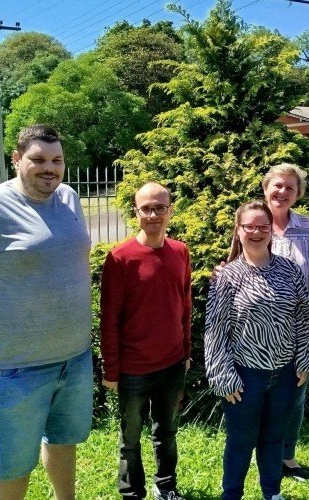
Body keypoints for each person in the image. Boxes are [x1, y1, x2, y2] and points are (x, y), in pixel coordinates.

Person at [0, 124, 93, 500]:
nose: (50, 168)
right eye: (38, 159)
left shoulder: (69, 199)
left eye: (57, 160)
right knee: (12, 464)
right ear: (16, 160)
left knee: (63, 442)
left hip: (74, 358)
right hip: (15, 366)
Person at [205, 201, 309, 500]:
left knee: (273, 438)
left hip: (284, 374)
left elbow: (303, 316)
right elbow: (215, 331)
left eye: (263, 227)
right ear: (238, 231)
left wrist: (305, 358)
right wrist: (223, 375)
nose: (256, 232)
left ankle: (272, 493)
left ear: (271, 231)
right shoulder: (227, 277)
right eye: (249, 227)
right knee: (241, 440)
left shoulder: (289, 270)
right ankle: (232, 494)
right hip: (244, 377)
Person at [99, 182, 192, 500]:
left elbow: (185, 306)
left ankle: (166, 486)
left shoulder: (180, 252)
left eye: (160, 208)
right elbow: (109, 320)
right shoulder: (120, 259)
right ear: (136, 212)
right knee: (131, 437)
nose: (154, 214)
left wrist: (187, 352)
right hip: (133, 370)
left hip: (171, 364)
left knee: (167, 432)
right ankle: (132, 491)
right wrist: (111, 370)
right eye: (146, 208)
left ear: (170, 210)